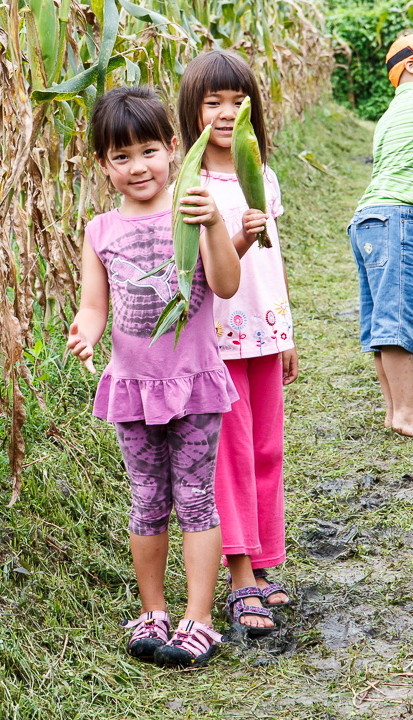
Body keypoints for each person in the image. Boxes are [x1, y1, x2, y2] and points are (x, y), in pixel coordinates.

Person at [67, 86, 241, 667]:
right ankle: (153, 612)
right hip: (132, 388)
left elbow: (226, 284)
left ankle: (199, 619)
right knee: (146, 498)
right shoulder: (99, 231)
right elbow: (95, 305)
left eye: (148, 151)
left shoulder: (192, 211)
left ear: (172, 148)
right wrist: (86, 334)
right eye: (121, 157)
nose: (138, 167)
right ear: (103, 164)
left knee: (195, 498)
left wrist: (214, 224)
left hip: (193, 382)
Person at [178, 50, 298, 636]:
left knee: (267, 451)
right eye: (213, 102)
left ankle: (265, 558)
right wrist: (240, 238)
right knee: (231, 458)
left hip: (264, 333)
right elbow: (204, 274)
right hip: (218, 341)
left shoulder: (262, 174)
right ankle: (240, 574)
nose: (226, 113)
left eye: (238, 102)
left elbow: (274, 262)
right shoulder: (192, 186)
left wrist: (287, 330)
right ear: (193, 111)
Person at [347, 34, 413, 437]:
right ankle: (407, 413)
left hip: (369, 220)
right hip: (397, 217)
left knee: (381, 323)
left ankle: (394, 412)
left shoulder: (389, 114)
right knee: (398, 319)